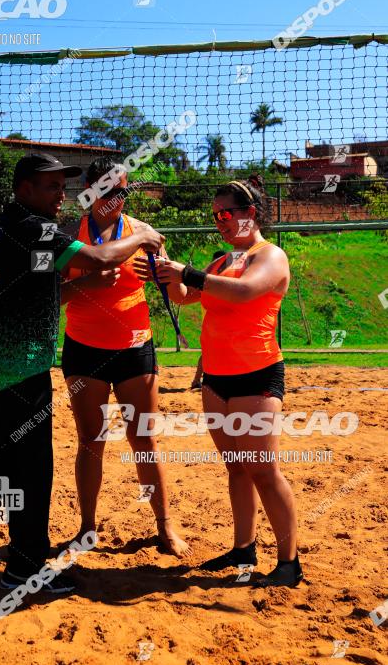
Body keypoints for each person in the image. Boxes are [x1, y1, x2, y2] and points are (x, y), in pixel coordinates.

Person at [0, 153, 165, 594]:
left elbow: (38, 288)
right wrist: (144, 236)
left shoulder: (3, 226)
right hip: (21, 359)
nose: (62, 195)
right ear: (25, 188)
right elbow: (99, 257)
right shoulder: (34, 227)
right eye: (51, 187)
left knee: (4, 444)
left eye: (64, 186)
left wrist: (87, 285)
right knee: (33, 466)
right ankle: (24, 570)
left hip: (4, 354)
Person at [135, 177, 302, 587]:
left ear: (252, 214)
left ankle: (289, 564)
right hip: (217, 379)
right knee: (237, 469)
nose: (221, 221)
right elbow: (183, 296)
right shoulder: (222, 260)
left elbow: (245, 292)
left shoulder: (271, 256)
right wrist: (165, 267)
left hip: (257, 375)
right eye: (216, 216)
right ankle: (243, 548)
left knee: (264, 470)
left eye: (227, 214)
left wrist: (187, 272)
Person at [60, 158, 191, 557]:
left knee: (145, 440)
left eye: (122, 191)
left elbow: (175, 291)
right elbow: (52, 298)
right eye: (107, 190)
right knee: (90, 441)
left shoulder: (145, 233)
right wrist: (87, 282)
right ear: (89, 189)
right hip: (84, 349)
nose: (115, 199)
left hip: (135, 347)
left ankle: (165, 526)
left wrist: (165, 277)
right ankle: (86, 527)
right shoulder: (69, 233)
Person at [190, 249, 227, 391]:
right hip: (213, 323)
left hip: (216, 323)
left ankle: (198, 380)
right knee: (208, 353)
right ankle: (198, 380)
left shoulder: (218, 278)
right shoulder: (211, 279)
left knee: (210, 353)